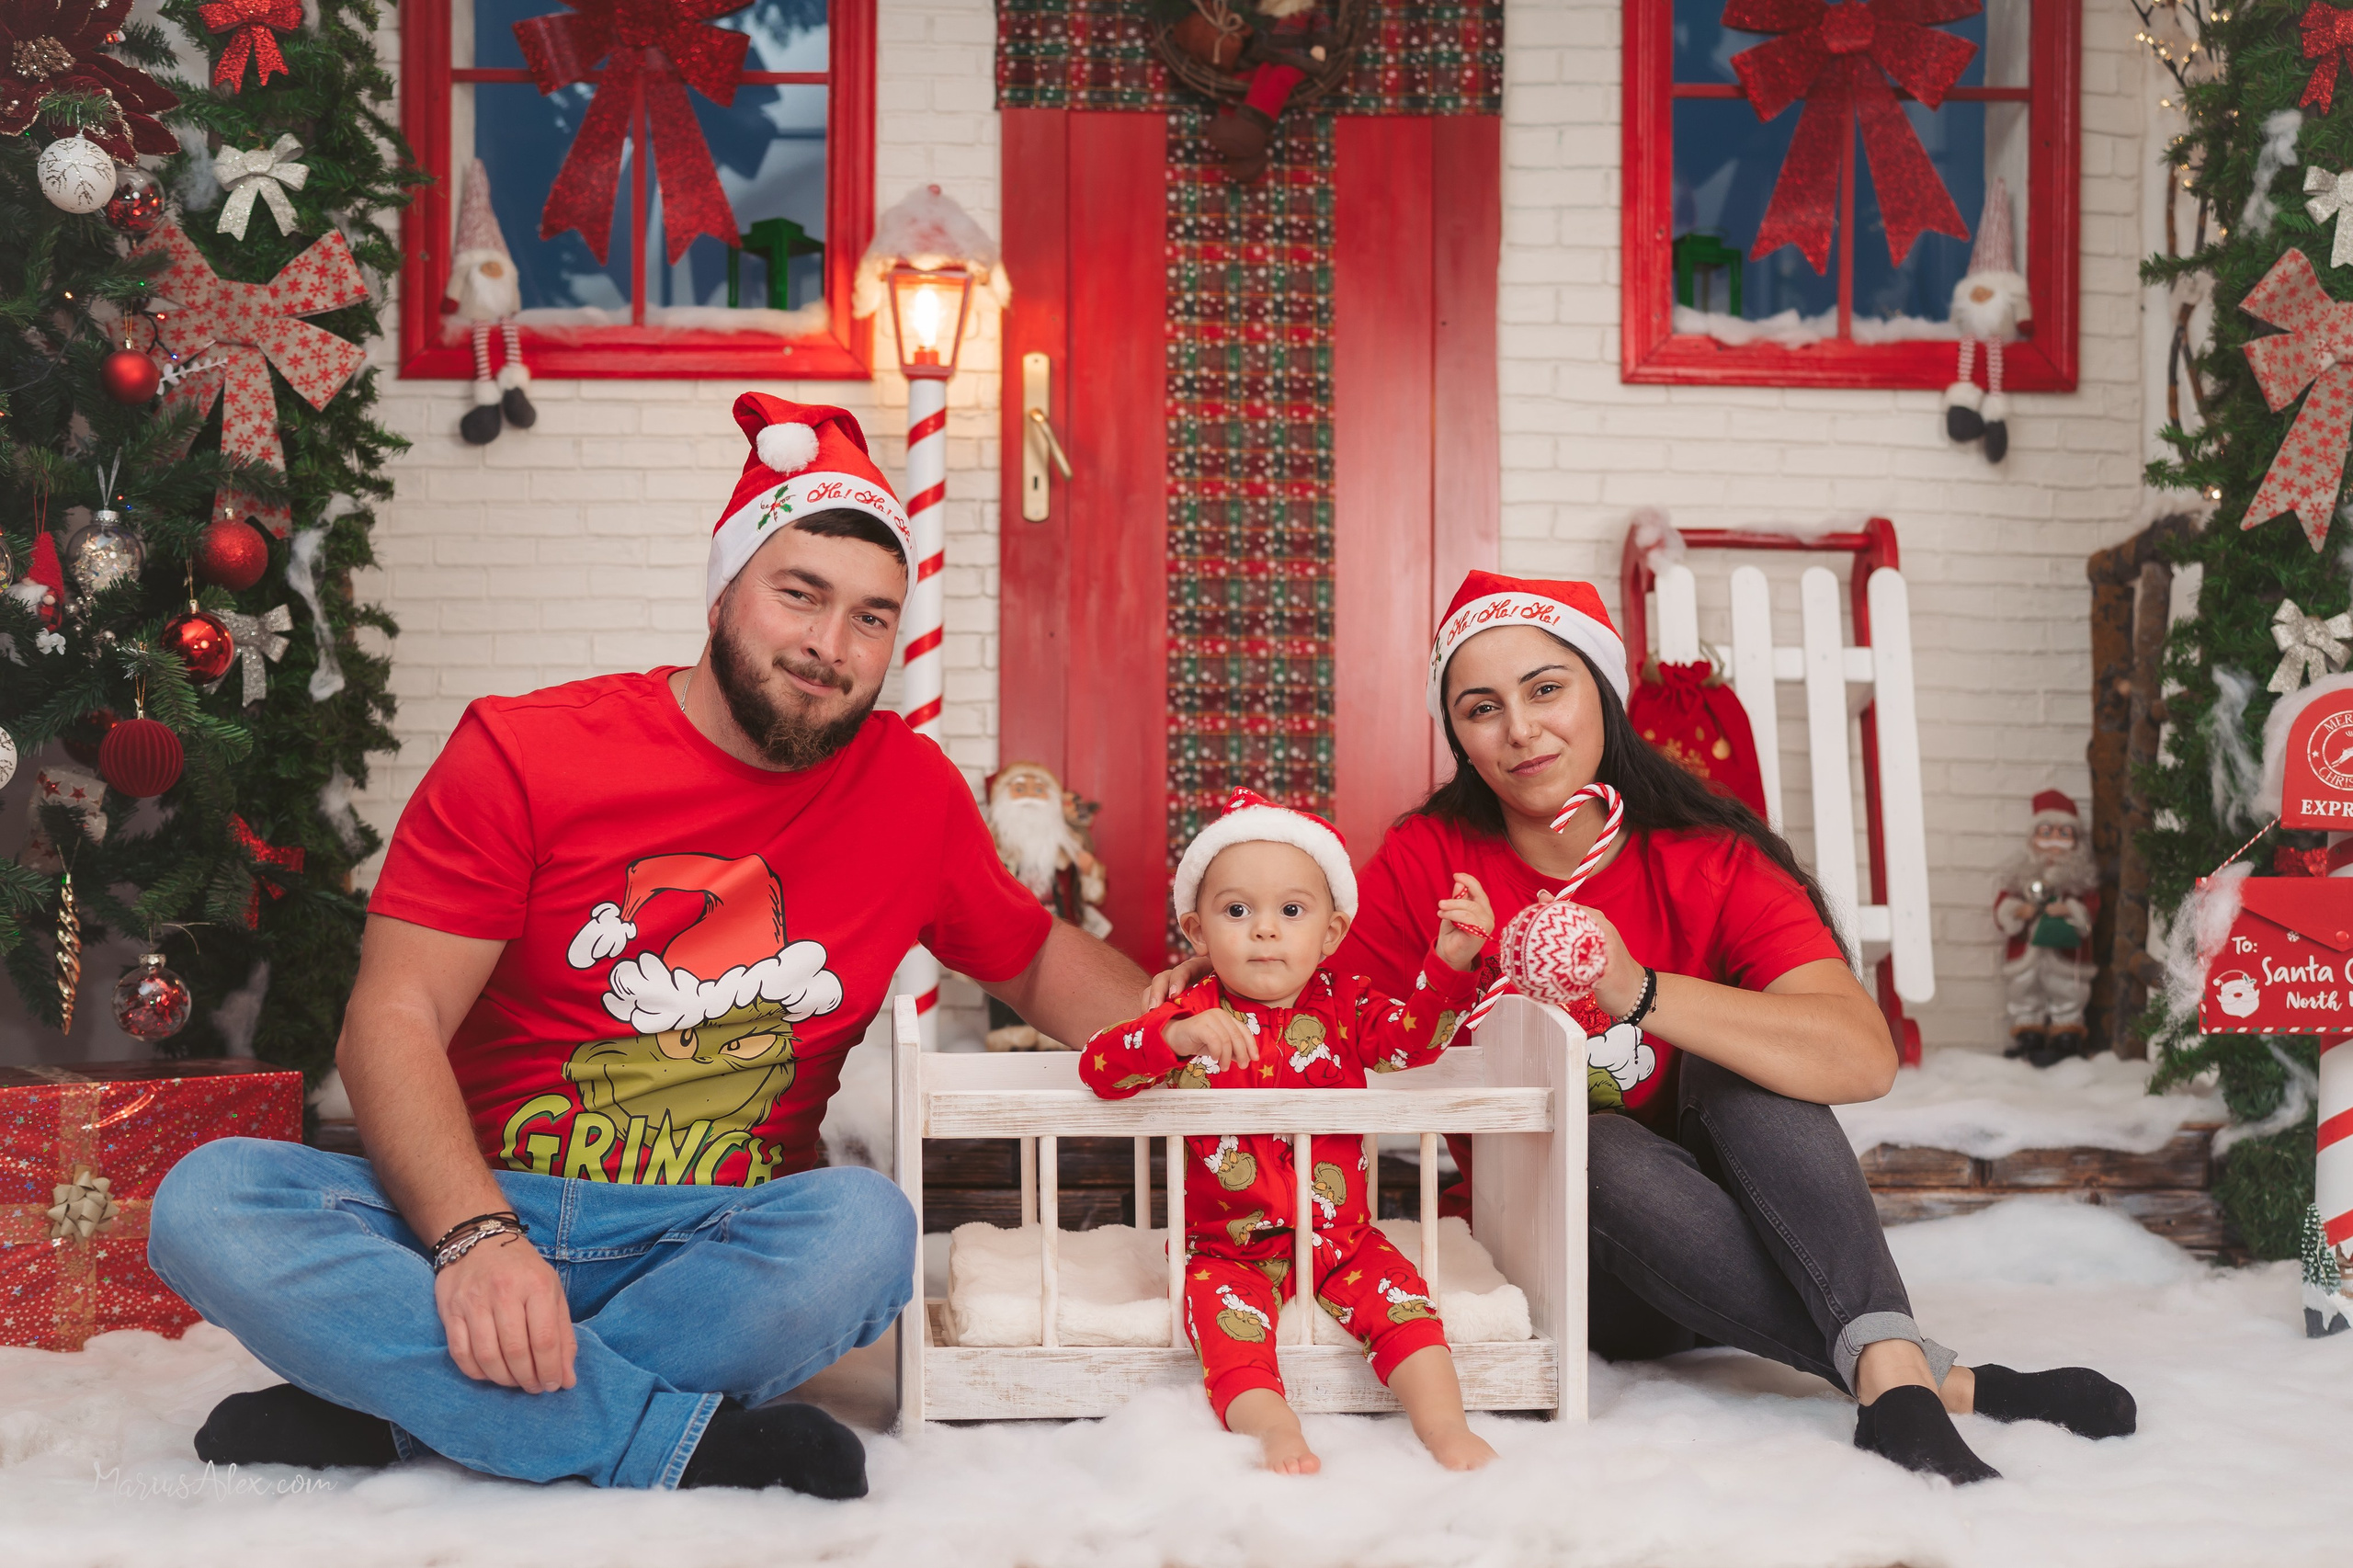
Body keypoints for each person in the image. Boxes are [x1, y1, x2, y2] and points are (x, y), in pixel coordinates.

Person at [147, 396, 1147, 1496]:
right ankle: (669, 1438)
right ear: (724, 591)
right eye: (799, 594)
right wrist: (476, 1238)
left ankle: (413, 1411)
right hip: (476, 1198)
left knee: (865, 1230)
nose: (829, 645)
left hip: (707, 1238)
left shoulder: (911, 790)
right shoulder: (525, 751)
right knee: (210, 1197)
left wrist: (1200, 1024)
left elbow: (1037, 959)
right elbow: (394, 1017)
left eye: (871, 617)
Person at [1149, 572, 2137, 1484]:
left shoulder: (1709, 856)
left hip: (1750, 1225)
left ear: (1602, 695)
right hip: (1574, 1261)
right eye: (1479, 708)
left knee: (1744, 1071)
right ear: (1456, 732)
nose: (1520, 731)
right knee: (1596, 1138)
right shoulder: (1430, 858)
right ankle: (1942, 1382)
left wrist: (1635, 988)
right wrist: (1228, 981)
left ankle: (1891, 1375)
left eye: (1546, 690)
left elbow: (1860, 1055)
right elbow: (1332, 1017)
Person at [1083, 788, 1495, 1474]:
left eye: (1292, 911)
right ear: (1197, 932)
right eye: (1237, 911)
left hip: (1343, 1237)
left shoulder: (1349, 1004)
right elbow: (1100, 1069)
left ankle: (1446, 1429)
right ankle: (1276, 1432)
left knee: (1409, 1310)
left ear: (1329, 934)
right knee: (1228, 1341)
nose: (1264, 929)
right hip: (1226, 1248)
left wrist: (1449, 964)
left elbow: (1413, 1044)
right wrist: (1175, 1037)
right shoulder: (1187, 1011)